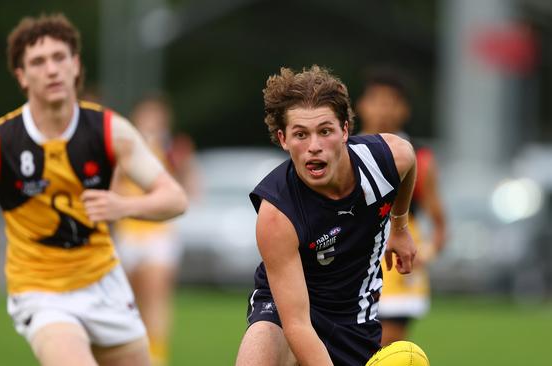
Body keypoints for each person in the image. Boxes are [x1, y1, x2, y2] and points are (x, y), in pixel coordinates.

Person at [0, 14, 187, 366]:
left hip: (104, 284)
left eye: (59, 57)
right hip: (41, 292)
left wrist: (122, 206)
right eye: (38, 61)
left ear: (76, 65)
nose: (51, 69)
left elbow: (174, 197)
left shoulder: (110, 130)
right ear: (21, 76)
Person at [234, 65, 418, 366]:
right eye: (300, 135)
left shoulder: (386, 160)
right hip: (287, 306)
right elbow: (296, 323)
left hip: (352, 313)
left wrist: (400, 227)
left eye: (325, 131)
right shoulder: (277, 214)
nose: (314, 147)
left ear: (345, 130)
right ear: (283, 139)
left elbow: (409, 160)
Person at [356, 68, 447, 346]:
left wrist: (425, 255)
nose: (383, 109)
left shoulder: (420, 157)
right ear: (361, 105)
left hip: (397, 270)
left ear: (404, 109)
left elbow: (440, 227)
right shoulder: (342, 150)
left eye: (391, 101)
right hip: (351, 262)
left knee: (385, 353)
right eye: (376, 99)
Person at [111, 94, 199, 366]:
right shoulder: (125, 149)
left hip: (160, 235)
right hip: (129, 233)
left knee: (155, 297)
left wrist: (179, 163)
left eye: (156, 117)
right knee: (128, 303)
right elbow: (112, 187)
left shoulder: (173, 149)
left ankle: (157, 357)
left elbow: (189, 189)